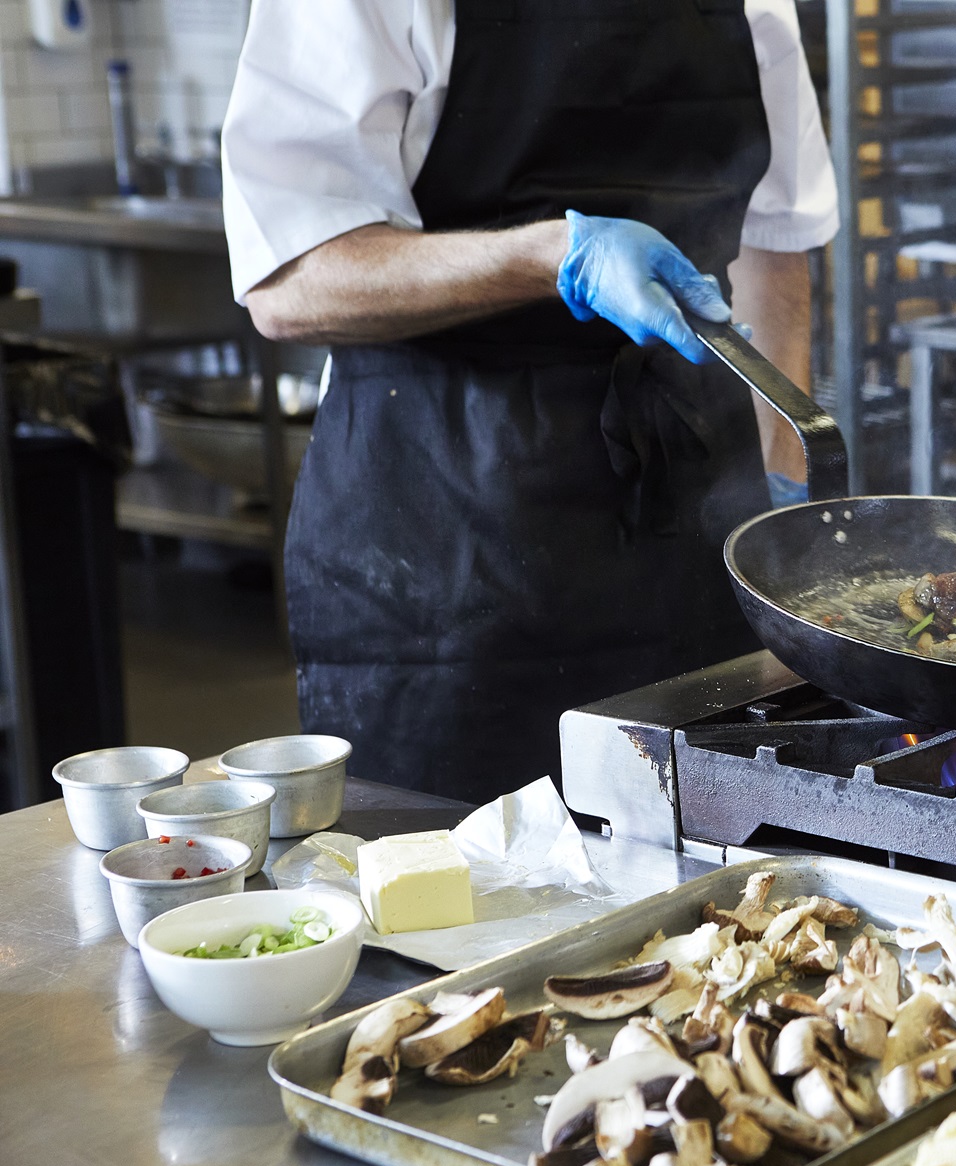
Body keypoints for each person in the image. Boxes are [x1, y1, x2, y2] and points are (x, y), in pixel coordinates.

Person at [221, 0, 838, 802]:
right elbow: (289, 279)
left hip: (692, 529)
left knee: (714, 899)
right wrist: (554, 256)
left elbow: (777, 250)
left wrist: (782, 519)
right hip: (440, 548)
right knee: (451, 896)